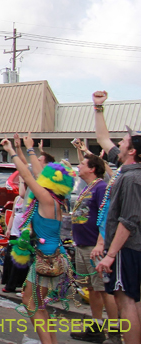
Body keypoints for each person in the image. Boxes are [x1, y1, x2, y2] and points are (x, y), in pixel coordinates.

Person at [1, 134, 74, 344]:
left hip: (47, 258)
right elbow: (39, 173)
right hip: (50, 256)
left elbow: (29, 176)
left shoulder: (46, 199)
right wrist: (31, 149)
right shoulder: (54, 199)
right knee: (39, 304)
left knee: (31, 303)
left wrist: (12, 152)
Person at [94, 133, 141, 344]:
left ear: (132, 151)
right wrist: (98, 106)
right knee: (133, 302)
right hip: (128, 248)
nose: (118, 144)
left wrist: (110, 254)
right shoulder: (128, 172)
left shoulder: (132, 178)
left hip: (125, 248)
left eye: (123, 142)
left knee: (126, 303)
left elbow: (128, 220)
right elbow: (102, 137)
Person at [70, 151, 117, 343]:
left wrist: (101, 243)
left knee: (104, 289)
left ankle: (115, 331)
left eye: (82, 163)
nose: (79, 166)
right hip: (82, 246)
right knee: (92, 289)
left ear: (92, 169)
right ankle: (96, 328)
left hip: (94, 247)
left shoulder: (101, 188)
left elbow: (106, 217)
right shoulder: (87, 187)